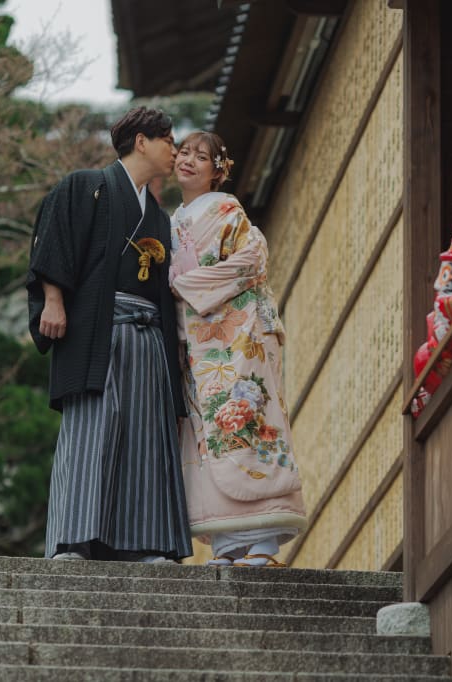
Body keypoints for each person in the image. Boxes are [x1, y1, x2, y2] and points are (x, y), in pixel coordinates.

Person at [27, 106, 192, 563]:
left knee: (145, 437)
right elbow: (52, 243)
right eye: (167, 140)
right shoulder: (85, 187)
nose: (174, 150)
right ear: (141, 141)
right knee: (91, 434)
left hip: (148, 338)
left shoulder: (159, 218)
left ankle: (143, 543)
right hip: (96, 332)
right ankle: (73, 541)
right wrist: (54, 301)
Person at [169, 131, 306, 567]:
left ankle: (264, 544)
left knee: (248, 423)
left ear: (217, 169)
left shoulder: (228, 210)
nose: (189, 161)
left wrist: (186, 286)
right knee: (208, 434)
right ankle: (229, 545)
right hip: (199, 341)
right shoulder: (174, 218)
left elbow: (253, 260)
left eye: (202, 156)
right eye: (185, 152)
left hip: (239, 334)